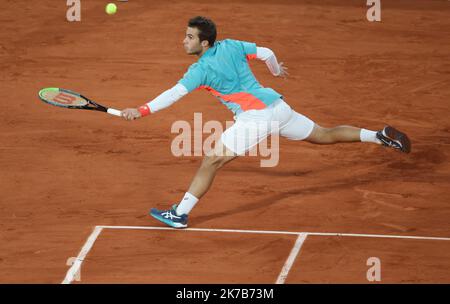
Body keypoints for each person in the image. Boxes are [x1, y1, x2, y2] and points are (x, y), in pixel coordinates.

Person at [120, 16, 411, 228]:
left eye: (189, 37)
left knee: (211, 161)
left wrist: (141, 110)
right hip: (277, 107)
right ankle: (378, 135)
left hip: (255, 119)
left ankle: (180, 214)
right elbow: (267, 53)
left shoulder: (199, 70)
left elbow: (173, 95)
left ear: (204, 42)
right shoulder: (232, 44)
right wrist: (275, 71)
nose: (183, 41)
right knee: (322, 134)